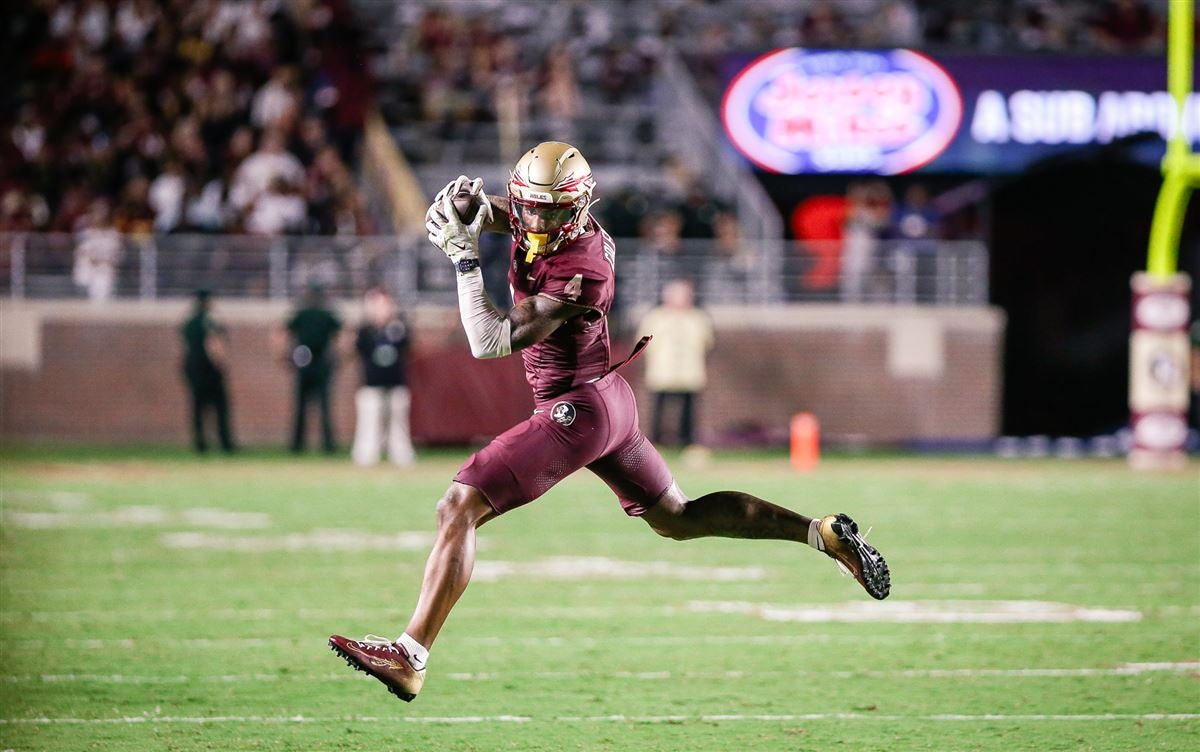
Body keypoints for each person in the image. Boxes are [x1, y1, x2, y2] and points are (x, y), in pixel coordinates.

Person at [328, 142, 890, 703]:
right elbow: (514, 212)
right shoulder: (548, 213)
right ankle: (820, 533)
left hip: (575, 410)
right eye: (530, 206)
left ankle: (411, 655)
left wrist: (465, 259)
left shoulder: (582, 267)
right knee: (678, 517)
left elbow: (488, 339)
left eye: (548, 210)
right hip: (607, 398)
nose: (535, 218)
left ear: (577, 207)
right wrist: (467, 203)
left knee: (458, 505)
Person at [637, 279, 714, 448]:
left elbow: (707, 342)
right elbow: (643, 342)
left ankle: (687, 442)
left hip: (689, 371)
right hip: (662, 371)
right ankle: (655, 442)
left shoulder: (697, 318)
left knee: (689, 410)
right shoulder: (656, 317)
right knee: (658, 409)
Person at [351, 288, 416, 467]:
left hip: (396, 382)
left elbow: (407, 347)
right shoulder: (365, 330)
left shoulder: (398, 326)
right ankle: (366, 457)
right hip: (371, 383)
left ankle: (401, 456)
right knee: (369, 421)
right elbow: (358, 350)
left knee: (399, 423)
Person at [282, 283, 342, 453]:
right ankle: (327, 445)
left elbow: (283, 332)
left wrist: (284, 356)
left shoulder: (301, 313)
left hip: (304, 360)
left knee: (302, 406)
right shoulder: (326, 313)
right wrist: (339, 357)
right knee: (324, 406)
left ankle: (298, 445)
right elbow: (340, 335)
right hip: (321, 362)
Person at [180, 288, 235, 453]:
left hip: (192, 366)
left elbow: (184, 345)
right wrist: (219, 363)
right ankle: (225, 443)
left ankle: (200, 443)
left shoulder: (189, 321)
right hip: (209, 368)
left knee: (197, 406)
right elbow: (213, 342)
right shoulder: (211, 320)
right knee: (220, 406)